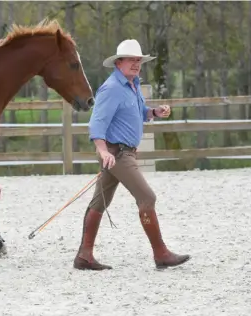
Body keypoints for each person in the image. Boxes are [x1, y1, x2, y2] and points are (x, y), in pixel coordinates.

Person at [73, 39, 191, 270]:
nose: (136, 64)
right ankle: (161, 254)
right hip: (117, 154)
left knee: (99, 202)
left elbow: (137, 112)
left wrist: (154, 112)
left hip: (121, 153)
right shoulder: (112, 89)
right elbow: (97, 124)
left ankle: (84, 256)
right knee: (147, 197)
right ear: (119, 63)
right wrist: (103, 151)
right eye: (132, 60)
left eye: (139, 60)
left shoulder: (132, 84)